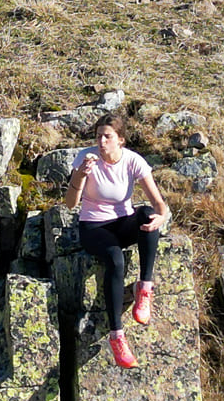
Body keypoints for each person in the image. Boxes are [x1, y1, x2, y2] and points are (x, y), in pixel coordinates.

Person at [62, 115, 172, 369]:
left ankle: (144, 288)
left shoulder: (133, 161)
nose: (101, 141)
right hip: (93, 227)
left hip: (123, 222)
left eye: (107, 136)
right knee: (115, 258)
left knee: (146, 214)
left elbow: (158, 203)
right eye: (98, 136)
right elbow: (70, 204)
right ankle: (117, 337)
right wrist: (80, 176)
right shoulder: (85, 159)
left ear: (120, 140)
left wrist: (161, 218)